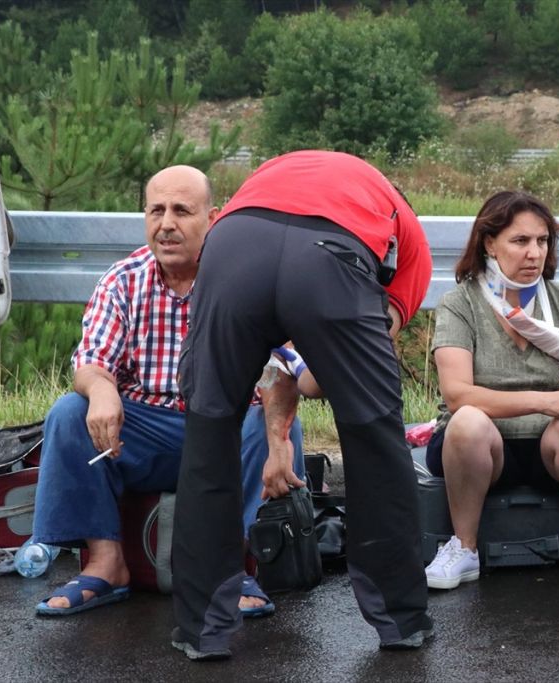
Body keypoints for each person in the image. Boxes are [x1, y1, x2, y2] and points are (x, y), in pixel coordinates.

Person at [170, 150, 435, 660]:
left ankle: (201, 629)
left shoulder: (271, 176)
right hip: (330, 256)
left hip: (233, 247)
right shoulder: (402, 226)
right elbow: (373, 342)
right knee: (376, 439)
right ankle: (400, 620)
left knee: (209, 433)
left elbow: (279, 362)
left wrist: (283, 419)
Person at [31, 165, 304, 618]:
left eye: (182, 210)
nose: (167, 224)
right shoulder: (124, 279)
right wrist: (101, 391)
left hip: (229, 430)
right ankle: (106, 564)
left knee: (272, 422)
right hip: (147, 435)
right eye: (156, 210)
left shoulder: (247, 281)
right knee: (69, 412)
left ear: (213, 218)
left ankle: (233, 569)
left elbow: (286, 364)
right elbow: (92, 361)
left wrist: (277, 433)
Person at [424, 191, 559, 591]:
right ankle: (464, 548)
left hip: (547, 448)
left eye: (542, 241)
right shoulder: (461, 302)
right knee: (469, 419)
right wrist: (546, 400)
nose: (534, 253)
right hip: (479, 449)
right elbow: (457, 395)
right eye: (520, 241)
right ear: (489, 243)